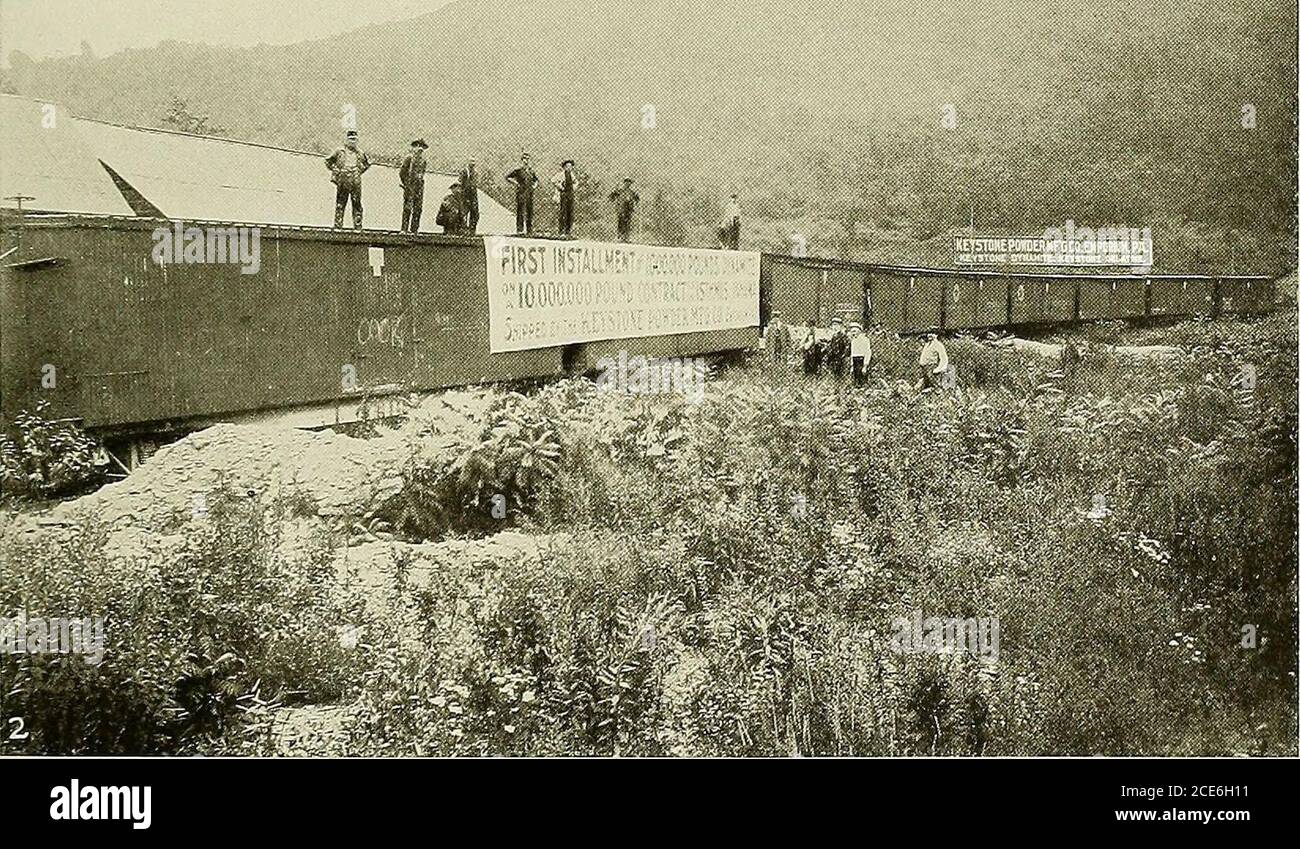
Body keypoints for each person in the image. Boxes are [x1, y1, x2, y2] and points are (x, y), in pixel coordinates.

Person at [325, 130, 371, 229]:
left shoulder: (360, 153)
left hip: (355, 179)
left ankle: (358, 227)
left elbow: (367, 164)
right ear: (346, 140)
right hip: (343, 178)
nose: (352, 142)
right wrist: (336, 170)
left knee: (357, 203)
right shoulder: (339, 151)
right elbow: (328, 161)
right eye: (350, 139)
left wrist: (359, 171)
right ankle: (338, 226)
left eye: (354, 140)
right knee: (340, 203)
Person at [399, 138, 428, 232]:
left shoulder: (424, 161)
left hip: (419, 187)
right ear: (414, 147)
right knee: (407, 208)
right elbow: (402, 172)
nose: (420, 149)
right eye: (418, 146)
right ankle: (404, 229)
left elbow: (422, 173)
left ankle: (414, 230)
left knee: (418, 209)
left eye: (422, 147)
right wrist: (406, 184)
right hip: (410, 186)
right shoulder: (409, 158)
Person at [505, 153, 539, 235]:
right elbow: (508, 177)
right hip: (521, 193)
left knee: (529, 211)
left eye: (527, 159)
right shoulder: (518, 170)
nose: (526, 161)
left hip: (530, 193)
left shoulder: (531, 171)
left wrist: (534, 186)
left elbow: (536, 180)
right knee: (520, 211)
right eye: (524, 159)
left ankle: (529, 230)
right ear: (522, 160)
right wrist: (516, 183)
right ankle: (520, 229)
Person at [551, 159, 577, 236]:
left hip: (570, 195)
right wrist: (560, 187)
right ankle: (561, 232)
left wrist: (573, 187)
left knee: (570, 213)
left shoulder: (572, 175)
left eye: (570, 166)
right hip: (563, 195)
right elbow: (553, 180)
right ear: (564, 167)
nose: (569, 168)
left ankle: (568, 232)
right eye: (567, 166)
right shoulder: (561, 174)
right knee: (563, 212)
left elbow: (576, 182)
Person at [608, 178, 640, 242]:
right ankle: (620, 237)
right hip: (621, 210)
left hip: (628, 210)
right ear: (624, 183)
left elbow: (637, 199)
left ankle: (626, 238)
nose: (628, 184)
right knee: (621, 222)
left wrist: (636, 200)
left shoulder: (631, 192)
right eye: (626, 183)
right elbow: (611, 197)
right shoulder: (620, 191)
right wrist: (613, 196)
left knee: (627, 223)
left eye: (629, 183)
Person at [458, 158, 480, 234]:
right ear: (468, 162)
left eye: (474, 162)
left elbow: (476, 183)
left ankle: (472, 230)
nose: (473, 163)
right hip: (465, 194)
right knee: (463, 212)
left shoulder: (476, 173)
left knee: (475, 213)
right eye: (471, 161)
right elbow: (460, 182)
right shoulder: (464, 171)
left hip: (473, 195)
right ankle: (462, 229)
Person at [825, 316, 851, 381]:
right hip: (834, 360)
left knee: (841, 377)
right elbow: (831, 348)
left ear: (841, 326)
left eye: (836, 325)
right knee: (834, 377)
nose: (835, 327)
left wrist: (842, 357)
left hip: (841, 360)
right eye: (833, 325)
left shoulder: (844, 336)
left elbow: (847, 348)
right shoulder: (833, 337)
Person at [849, 322, 872, 386]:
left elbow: (867, 352)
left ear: (859, 331)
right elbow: (852, 353)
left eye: (854, 331)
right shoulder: (853, 340)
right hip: (855, 361)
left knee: (863, 379)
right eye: (852, 332)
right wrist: (852, 365)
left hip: (862, 360)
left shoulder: (865, 340)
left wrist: (865, 365)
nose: (853, 333)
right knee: (856, 380)